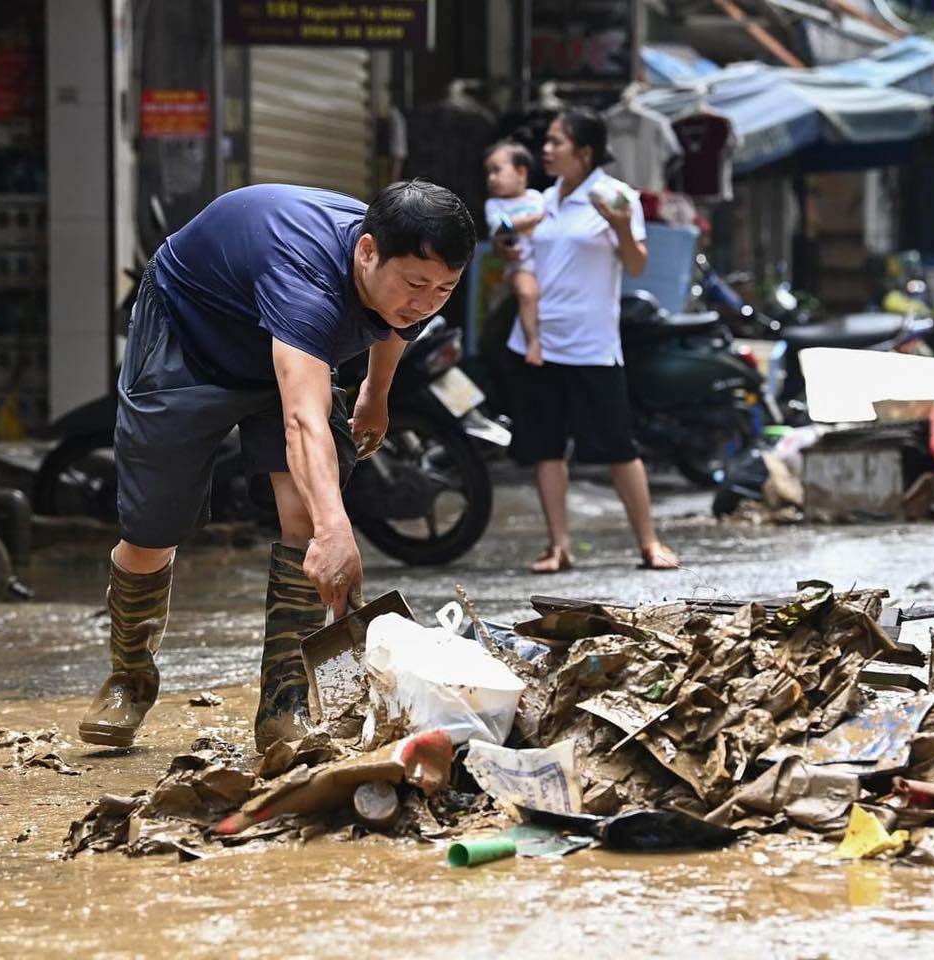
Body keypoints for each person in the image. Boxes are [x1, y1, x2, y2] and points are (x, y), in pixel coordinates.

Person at [78, 180, 476, 752]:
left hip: (291, 357)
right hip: (189, 342)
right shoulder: (308, 281)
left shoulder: (407, 269)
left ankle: (283, 707)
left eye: (444, 289)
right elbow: (303, 421)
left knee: (307, 520)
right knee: (151, 534)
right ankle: (129, 678)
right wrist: (339, 529)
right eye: (416, 284)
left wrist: (375, 393)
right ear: (367, 252)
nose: (427, 300)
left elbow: (397, 324)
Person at [495, 107, 677, 573]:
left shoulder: (617, 197)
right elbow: (522, 261)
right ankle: (558, 546)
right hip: (537, 344)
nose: (546, 150)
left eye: (556, 142)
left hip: (592, 344)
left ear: (585, 151)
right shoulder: (539, 202)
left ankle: (650, 543)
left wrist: (617, 225)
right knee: (546, 449)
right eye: (547, 141)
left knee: (619, 447)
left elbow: (636, 265)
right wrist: (509, 252)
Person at [484, 141, 546, 365]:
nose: (491, 178)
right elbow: (503, 226)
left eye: (497, 170)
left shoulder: (538, 198)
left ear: (521, 172)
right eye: (488, 172)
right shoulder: (494, 204)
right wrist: (534, 219)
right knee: (527, 294)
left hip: (545, 264)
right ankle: (533, 342)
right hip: (520, 265)